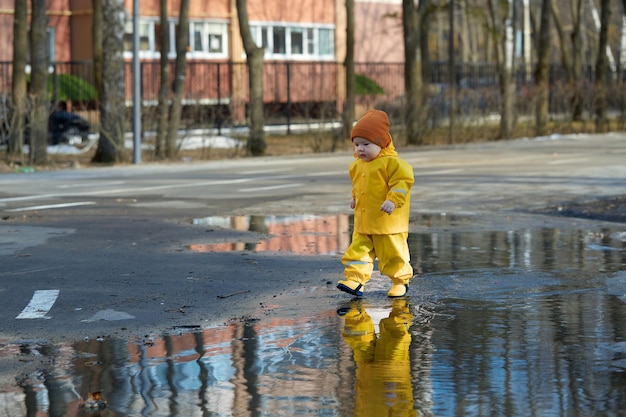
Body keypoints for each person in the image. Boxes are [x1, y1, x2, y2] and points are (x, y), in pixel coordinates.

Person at [337, 109, 415, 298]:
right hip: (364, 222)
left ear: (382, 143)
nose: (360, 149)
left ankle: (400, 281)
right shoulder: (356, 166)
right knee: (358, 251)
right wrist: (354, 198)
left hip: (388, 222)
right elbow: (359, 186)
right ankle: (355, 280)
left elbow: (402, 184)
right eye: (356, 145)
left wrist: (393, 200)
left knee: (393, 253)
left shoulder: (394, 164)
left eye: (366, 144)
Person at [338, 299, 416, 416]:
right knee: (396, 339)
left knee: (362, 343)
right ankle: (400, 306)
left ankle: (355, 315)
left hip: (367, 384)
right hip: (394, 376)